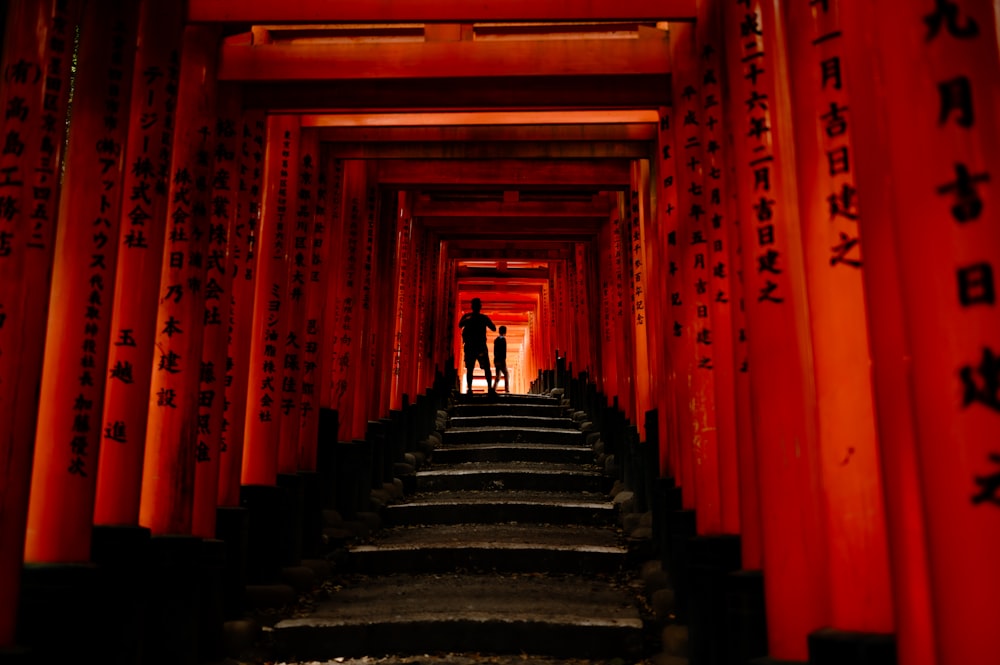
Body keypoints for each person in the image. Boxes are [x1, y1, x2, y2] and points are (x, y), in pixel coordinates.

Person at [458, 297, 496, 393]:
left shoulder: (467, 317)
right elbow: (493, 328)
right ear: (480, 307)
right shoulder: (483, 318)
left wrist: (468, 321)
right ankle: (490, 388)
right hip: (480, 346)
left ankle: (470, 389)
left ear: (472, 306)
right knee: (486, 368)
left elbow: (460, 325)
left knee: (470, 368)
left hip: (471, 346)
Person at [493, 325, 509, 393]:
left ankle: (493, 389)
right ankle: (506, 389)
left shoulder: (496, 340)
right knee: (506, 374)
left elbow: (495, 351)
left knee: (498, 376)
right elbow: (503, 351)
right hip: (501, 360)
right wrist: (503, 360)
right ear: (505, 332)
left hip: (496, 359)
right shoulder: (503, 339)